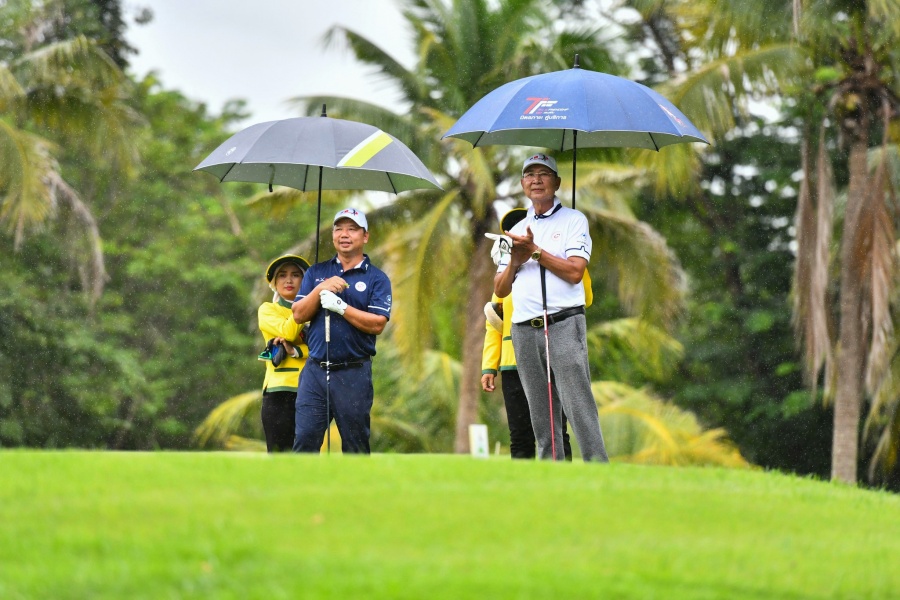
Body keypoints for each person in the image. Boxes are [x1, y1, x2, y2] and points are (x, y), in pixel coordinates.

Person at [494, 153, 609, 462]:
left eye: (544, 173)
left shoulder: (574, 220)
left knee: (577, 404)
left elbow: (574, 272)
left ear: (557, 182)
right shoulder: (517, 227)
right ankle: (553, 473)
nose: (536, 179)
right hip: (523, 329)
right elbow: (500, 288)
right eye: (529, 174)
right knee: (541, 413)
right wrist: (515, 261)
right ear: (522, 184)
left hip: (563, 323)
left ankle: (598, 467)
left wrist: (534, 252)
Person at [291, 208, 391, 454]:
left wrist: (342, 308)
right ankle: (300, 492)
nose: (344, 234)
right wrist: (319, 289)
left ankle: (354, 492)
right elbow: (298, 314)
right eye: (339, 228)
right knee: (304, 440)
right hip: (315, 371)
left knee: (355, 447)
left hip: (353, 372)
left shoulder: (376, 278)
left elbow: (377, 323)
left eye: (352, 229)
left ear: (365, 236)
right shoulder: (316, 273)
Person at [258, 254, 311, 452]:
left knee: (307, 456)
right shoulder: (267, 310)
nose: (288, 280)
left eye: (296, 275)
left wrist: (296, 350)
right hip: (278, 392)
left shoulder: (318, 312)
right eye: (282, 275)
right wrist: (304, 307)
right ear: (274, 282)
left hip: (311, 390)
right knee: (280, 456)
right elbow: (288, 331)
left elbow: (323, 347)